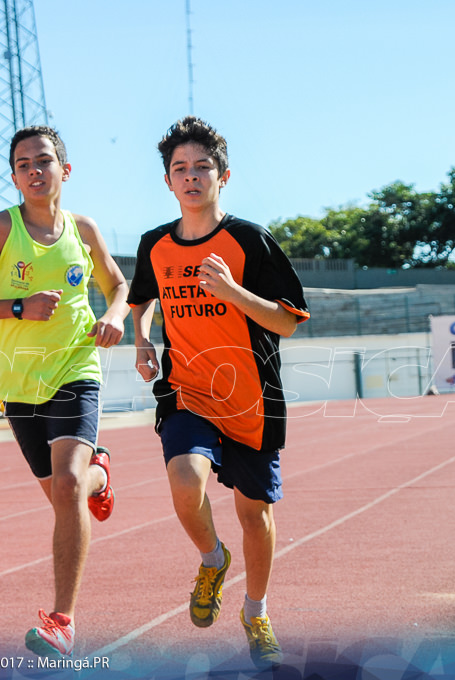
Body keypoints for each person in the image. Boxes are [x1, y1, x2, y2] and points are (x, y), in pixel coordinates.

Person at [127, 116, 310, 669]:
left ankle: (255, 611)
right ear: (167, 181)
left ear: (222, 175)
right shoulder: (154, 245)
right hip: (188, 392)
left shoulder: (249, 240)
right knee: (184, 479)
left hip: (252, 400)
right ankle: (212, 559)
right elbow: (141, 300)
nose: (190, 177)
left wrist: (232, 292)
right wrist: (140, 342)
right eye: (179, 169)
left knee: (254, 515)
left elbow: (289, 321)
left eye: (201, 167)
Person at [0, 125, 129, 659]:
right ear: (15, 177)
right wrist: (16, 308)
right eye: (23, 164)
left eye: (43, 160)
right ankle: (101, 473)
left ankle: (62, 623)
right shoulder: (0, 229)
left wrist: (115, 315)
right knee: (64, 494)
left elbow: (117, 283)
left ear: (64, 170)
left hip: (75, 368)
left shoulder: (83, 229)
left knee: (65, 488)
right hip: (21, 385)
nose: (34, 170)